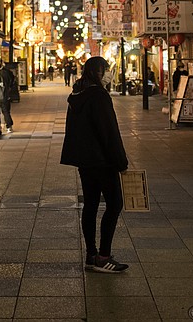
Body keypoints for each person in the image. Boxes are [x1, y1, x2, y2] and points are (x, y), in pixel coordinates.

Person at [60, 55, 129, 273]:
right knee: (115, 203)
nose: (108, 73)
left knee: (90, 204)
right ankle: (104, 256)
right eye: (105, 69)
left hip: (85, 161)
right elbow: (109, 132)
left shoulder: (77, 95)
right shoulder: (99, 96)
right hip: (103, 161)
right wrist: (121, 161)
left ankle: (91, 254)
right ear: (97, 72)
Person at [0, 64, 17, 133]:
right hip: (7, 94)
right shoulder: (8, 72)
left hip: (2, 94)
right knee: (6, 110)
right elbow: (12, 81)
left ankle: (7, 125)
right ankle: (9, 126)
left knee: (4, 110)